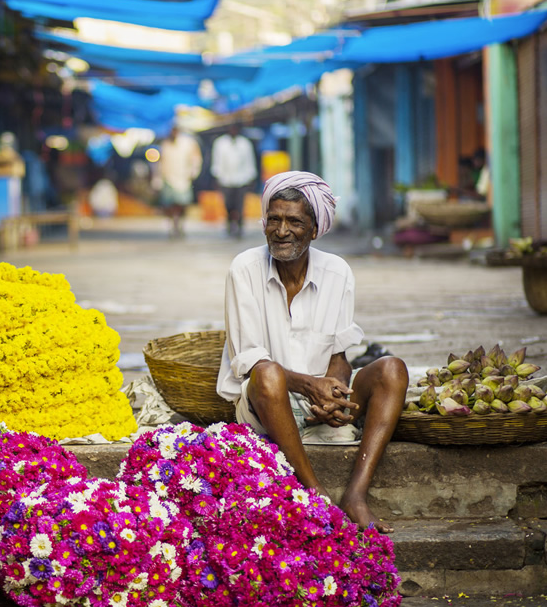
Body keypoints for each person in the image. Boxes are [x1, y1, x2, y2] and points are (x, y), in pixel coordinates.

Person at [216, 170, 408, 533]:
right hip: (266, 402)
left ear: (316, 229)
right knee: (267, 372)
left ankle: (355, 495)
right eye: (274, 219)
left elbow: (338, 354)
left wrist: (333, 393)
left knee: (392, 369)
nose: (282, 230)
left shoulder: (338, 272)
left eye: (294, 222)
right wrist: (309, 387)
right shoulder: (244, 269)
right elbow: (249, 362)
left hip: (316, 399)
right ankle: (314, 491)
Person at [210, 123, 259, 238]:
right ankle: (229, 224)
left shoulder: (245, 144)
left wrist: (251, 177)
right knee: (228, 204)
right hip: (225, 180)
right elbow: (217, 161)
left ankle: (240, 226)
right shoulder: (220, 143)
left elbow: (249, 161)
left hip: (241, 180)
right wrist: (216, 177)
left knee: (240, 205)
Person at [156, 126, 203, 238]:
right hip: (168, 178)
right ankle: (172, 226)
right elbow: (160, 162)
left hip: (183, 179)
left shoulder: (188, 143)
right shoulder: (165, 144)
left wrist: (193, 173)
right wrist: (157, 178)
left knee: (182, 204)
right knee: (169, 205)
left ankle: (180, 225)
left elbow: (196, 159)